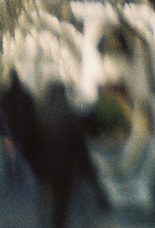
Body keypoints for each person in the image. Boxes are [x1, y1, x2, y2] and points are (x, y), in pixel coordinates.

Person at [35, 81, 95, 228]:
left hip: (47, 167)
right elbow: (79, 145)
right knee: (63, 200)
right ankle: (59, 223)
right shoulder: (71, 115)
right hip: (66, 166)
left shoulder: (41, 115)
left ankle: (50, 222)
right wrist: (86, 166)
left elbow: (32, 142)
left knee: (48, 199)